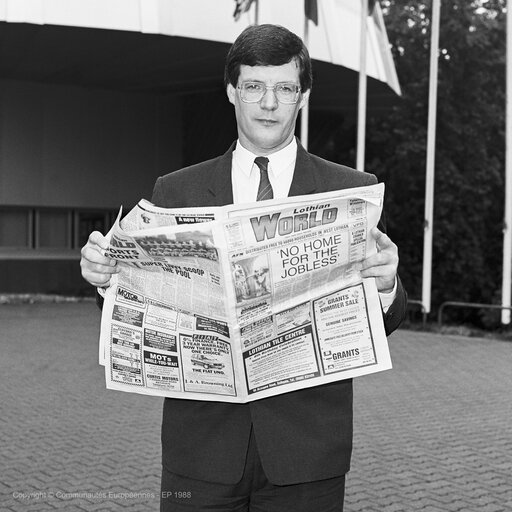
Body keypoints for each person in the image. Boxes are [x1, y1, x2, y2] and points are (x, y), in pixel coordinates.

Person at [80, 24, 407, 512]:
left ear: (303, 95)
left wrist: (386, 286)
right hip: (201, 452)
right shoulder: (175, 192)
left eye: (284, 88)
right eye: (255, 86)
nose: (269, 103)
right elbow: (142, 299)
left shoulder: (349, 193)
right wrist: (107, 280)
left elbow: (383, 319)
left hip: (307, 457)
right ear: (232, 91)